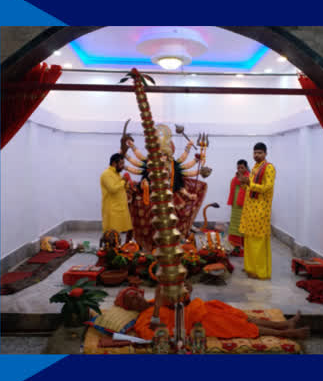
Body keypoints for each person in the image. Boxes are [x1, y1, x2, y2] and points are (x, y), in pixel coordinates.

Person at [125, 290, 309, 341]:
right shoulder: (143, 319)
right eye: (132, 299)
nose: (138, 298)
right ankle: (286, 333)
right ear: (129, 306)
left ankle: (282, 325)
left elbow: (176, 302)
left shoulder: (151, 302)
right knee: (240, 326)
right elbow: (152, 335)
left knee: (238, 316)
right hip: (196, 323)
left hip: (199, 309)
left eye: (136, 294)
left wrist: (185, 291)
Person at [239, 143, 276, 280]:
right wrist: (243, 183)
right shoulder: (254, 168)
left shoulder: (269, 168)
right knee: (249, 240)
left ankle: (261, 272)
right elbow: (249, 188)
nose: (257, 155)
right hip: (250, 209)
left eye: (260, 153)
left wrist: (250, 184)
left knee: (258, 242)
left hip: (261, 210)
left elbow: (267, 187)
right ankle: (250, 269)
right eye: (255, 153)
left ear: (265, 153)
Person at [101, 153, 133, 244]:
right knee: (111, 234)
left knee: (117, 235)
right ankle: (110, 252)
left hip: (119, 208)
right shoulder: (106, 174)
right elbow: (113, 189)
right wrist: (123, 181)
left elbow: (121, 188)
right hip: (111, 209)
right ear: (114, 163)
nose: (123, 166)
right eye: (121, 163)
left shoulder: (117, 174)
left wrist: (127, 183)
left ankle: (117, 250)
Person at [227, 159, 250, 255]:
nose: (240, 169)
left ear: (246, 168)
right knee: (234, 225)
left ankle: (245, 247)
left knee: (243, 225)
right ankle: (235, 247)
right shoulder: (234, 179)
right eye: (238, 167)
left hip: (246, 206)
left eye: (242, 167)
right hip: (235, 206)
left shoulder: (249, 179)